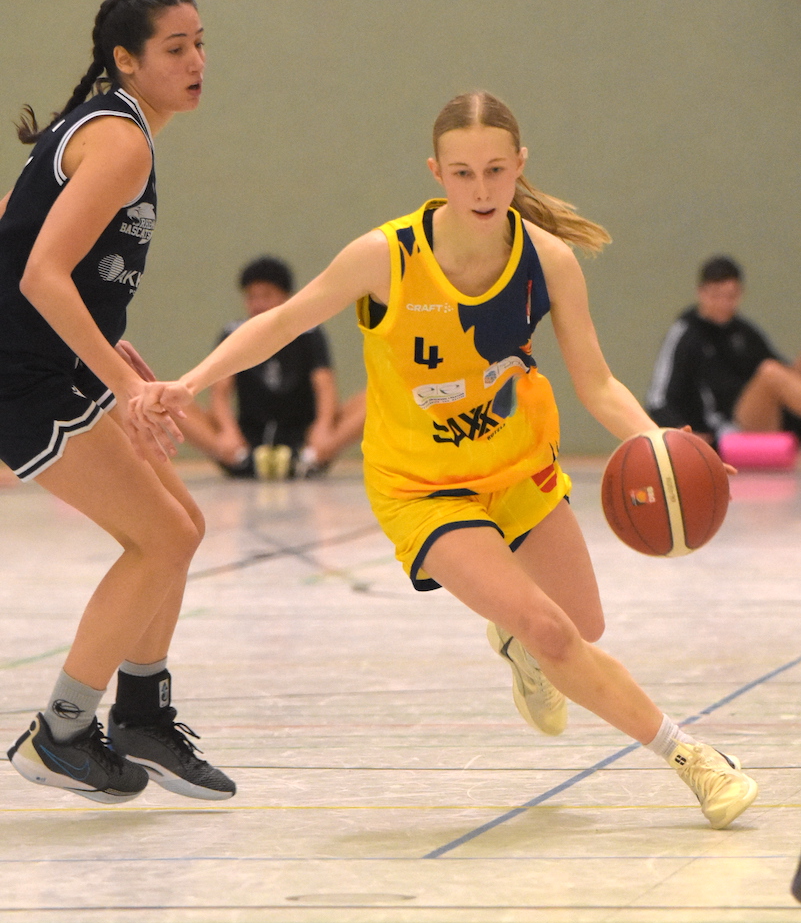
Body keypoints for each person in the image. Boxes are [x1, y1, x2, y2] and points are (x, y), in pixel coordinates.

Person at [134, 91, 758, 828]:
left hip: (519, 467)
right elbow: (282, 320)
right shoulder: (385, 256)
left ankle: (515, 640)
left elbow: (595, 382)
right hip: (421, 488)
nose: (482, 188)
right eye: (463, 173)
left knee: (576, 628)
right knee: (553, 631)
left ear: (519, 165)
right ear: (437, 172)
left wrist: (662, 445)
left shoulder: (546, 260)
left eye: (495, 169)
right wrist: (190, 382)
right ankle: (693, 760)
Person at [1, 0, 235, 803]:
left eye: (200, 42)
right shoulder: (122, 142)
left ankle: (140, 713)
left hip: (46, 361)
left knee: (184, 525)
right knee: (163, 537)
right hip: (21, 374)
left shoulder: (101, 127)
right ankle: (61, 732)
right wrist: (121, 383)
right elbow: (37, 272)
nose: (197, 61)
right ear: (126, 61)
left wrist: (102, 339)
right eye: (175, 49)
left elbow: (13, 229)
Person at [179, 255, 366, 479]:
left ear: (287, 298)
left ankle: (312, 457)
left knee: (374, 396)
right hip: (246, 441)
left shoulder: (310, 333)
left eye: (266, 295)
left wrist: (323, 430)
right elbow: (220, 393)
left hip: (306, 441)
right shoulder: (234, 333)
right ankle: (239, 458)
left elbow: (325, 386)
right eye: (251, 297)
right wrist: (228, 434)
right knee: (173, 405)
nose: (258, 304)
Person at [646, 256, 801, 446]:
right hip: (726, 429)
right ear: (701, 292)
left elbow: (787, 377)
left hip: (762, 418)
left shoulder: (743, 331)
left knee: (782, 370)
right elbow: (657, 399)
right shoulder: (686, 335)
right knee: (770, 373)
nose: (723, 303)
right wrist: (681, 430)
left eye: (730, 296)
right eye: (715, 295)